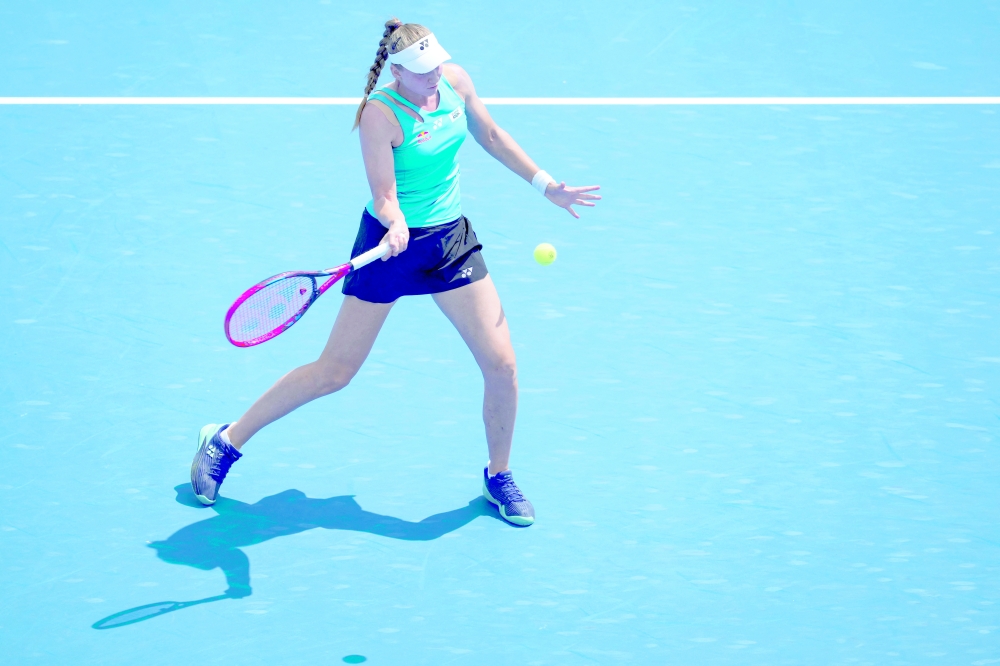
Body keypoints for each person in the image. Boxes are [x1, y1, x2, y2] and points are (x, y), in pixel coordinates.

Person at [191, 18, 601, 526]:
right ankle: (225, 441)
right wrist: (396, 221)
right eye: (422, 71)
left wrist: (546, 185)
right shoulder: (379, 115)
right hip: (390, 246)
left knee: (503, 367)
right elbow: (384, 193)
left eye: (436, 65)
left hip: (449, 243)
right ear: (397, 72)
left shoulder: (455, 82)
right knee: (334, 372)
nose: (434, 77)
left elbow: (492, 135)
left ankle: (499, 475)